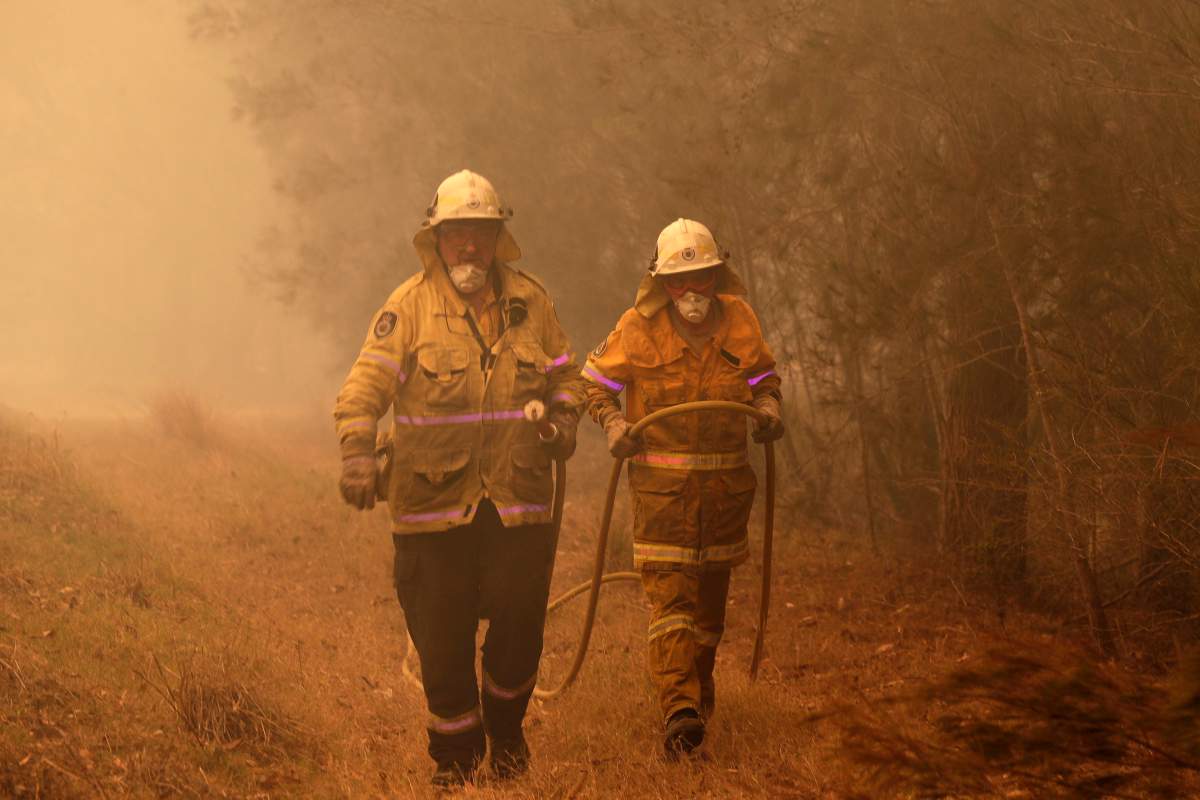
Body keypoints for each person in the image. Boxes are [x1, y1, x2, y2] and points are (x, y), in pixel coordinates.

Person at [333, 169, 583, 787]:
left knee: (519, 633)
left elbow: (566, 378)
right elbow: (362, 389)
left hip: (518, 506)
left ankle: (506, 734)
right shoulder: (406, 309)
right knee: (442, 647)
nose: (469, 246)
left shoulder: (534, 303)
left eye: (481, 232)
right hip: (430, 512)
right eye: (456, 235)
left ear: (498, 237)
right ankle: (456, 761)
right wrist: (357, 451)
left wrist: (565, 418)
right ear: (436, 240)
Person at [581, 218, 784, 757]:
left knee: (708, 616)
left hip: (724, 497)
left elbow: (765, 376)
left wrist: (767, 407)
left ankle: (698, 687)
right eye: (679, 282)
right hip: (662, 499)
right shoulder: (636, 327)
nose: (691, 293)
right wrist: (613, 424)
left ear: (718, 276)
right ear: (661, 284)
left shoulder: (740, 321)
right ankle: (679, 709)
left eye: (702, 279)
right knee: (670, 604)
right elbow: (593, 384)